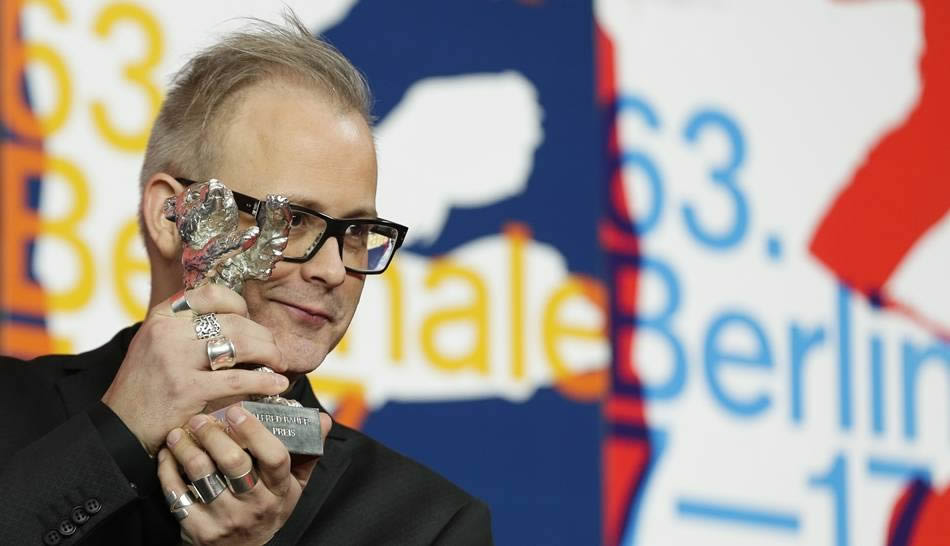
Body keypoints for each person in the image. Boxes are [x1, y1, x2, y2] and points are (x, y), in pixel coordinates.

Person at [0, 13, 492, 545]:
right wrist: (115, 436)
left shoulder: (426, 524)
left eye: (356, 233)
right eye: (292, 220)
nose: (332, 270)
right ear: (172, 215)